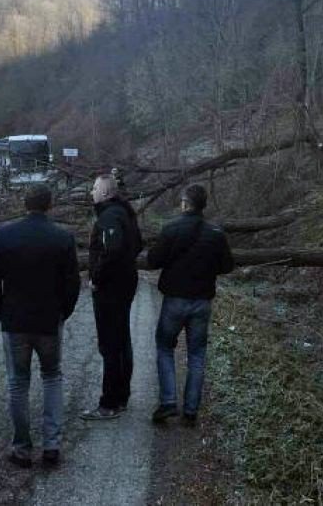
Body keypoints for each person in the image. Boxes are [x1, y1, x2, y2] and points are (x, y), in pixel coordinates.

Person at [0, 184, 80, 468]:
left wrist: (0, 312)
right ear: (49, 205)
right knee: (52, 377)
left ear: (25, 204)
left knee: (18, 383)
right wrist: (64, 312)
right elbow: (72, 283)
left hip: (15, 321)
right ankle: (51, 445)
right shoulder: (62, 237)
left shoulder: (5, 235)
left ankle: (22, 447)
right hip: (49, 321)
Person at [147, 184, 234, 425]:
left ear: (185, 203)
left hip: (174, 300)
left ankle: (168, 402)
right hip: (202, 302)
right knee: (197, 354)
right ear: (204, 205)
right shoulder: (216, 233)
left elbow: (153, 261)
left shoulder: (171, 229)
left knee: (165, 348)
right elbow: (228, 266)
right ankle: (191, 411)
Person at [80, 173, 143, 420]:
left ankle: (109, 403)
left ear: (106, 192)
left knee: (110, 345)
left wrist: (97, 276)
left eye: (95, 188)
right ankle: (122, 396)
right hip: (125, 283)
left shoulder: (109, 216)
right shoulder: (126, 213)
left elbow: (113, 249)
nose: (91, 192)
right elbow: (138, 244)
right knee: (121, 340)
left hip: (112, 289)